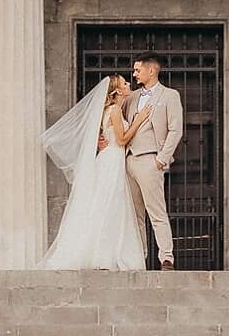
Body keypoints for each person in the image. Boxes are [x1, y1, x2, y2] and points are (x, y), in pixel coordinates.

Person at [38, 74, 149, 270]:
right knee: (110, 205)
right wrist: (138, 121)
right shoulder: (114, 110)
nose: (128, 84)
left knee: (105, 205)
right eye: (124, 83)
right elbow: (122, 140)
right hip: (111, 159)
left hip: (109, 158)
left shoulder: (109, 110)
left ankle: (102, 252)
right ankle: (104, 255)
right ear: (117, 91)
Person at [124, 55, 184, 270]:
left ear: (151, 71)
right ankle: (139, 257)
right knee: (135, 215)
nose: (134, 74)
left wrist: (162, 158)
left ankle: (166, 257)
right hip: (128, 160)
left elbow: (176, 129)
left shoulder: (170, 95)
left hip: (150, 159)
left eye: (137, 70)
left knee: (156, 211)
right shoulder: (131, 97)